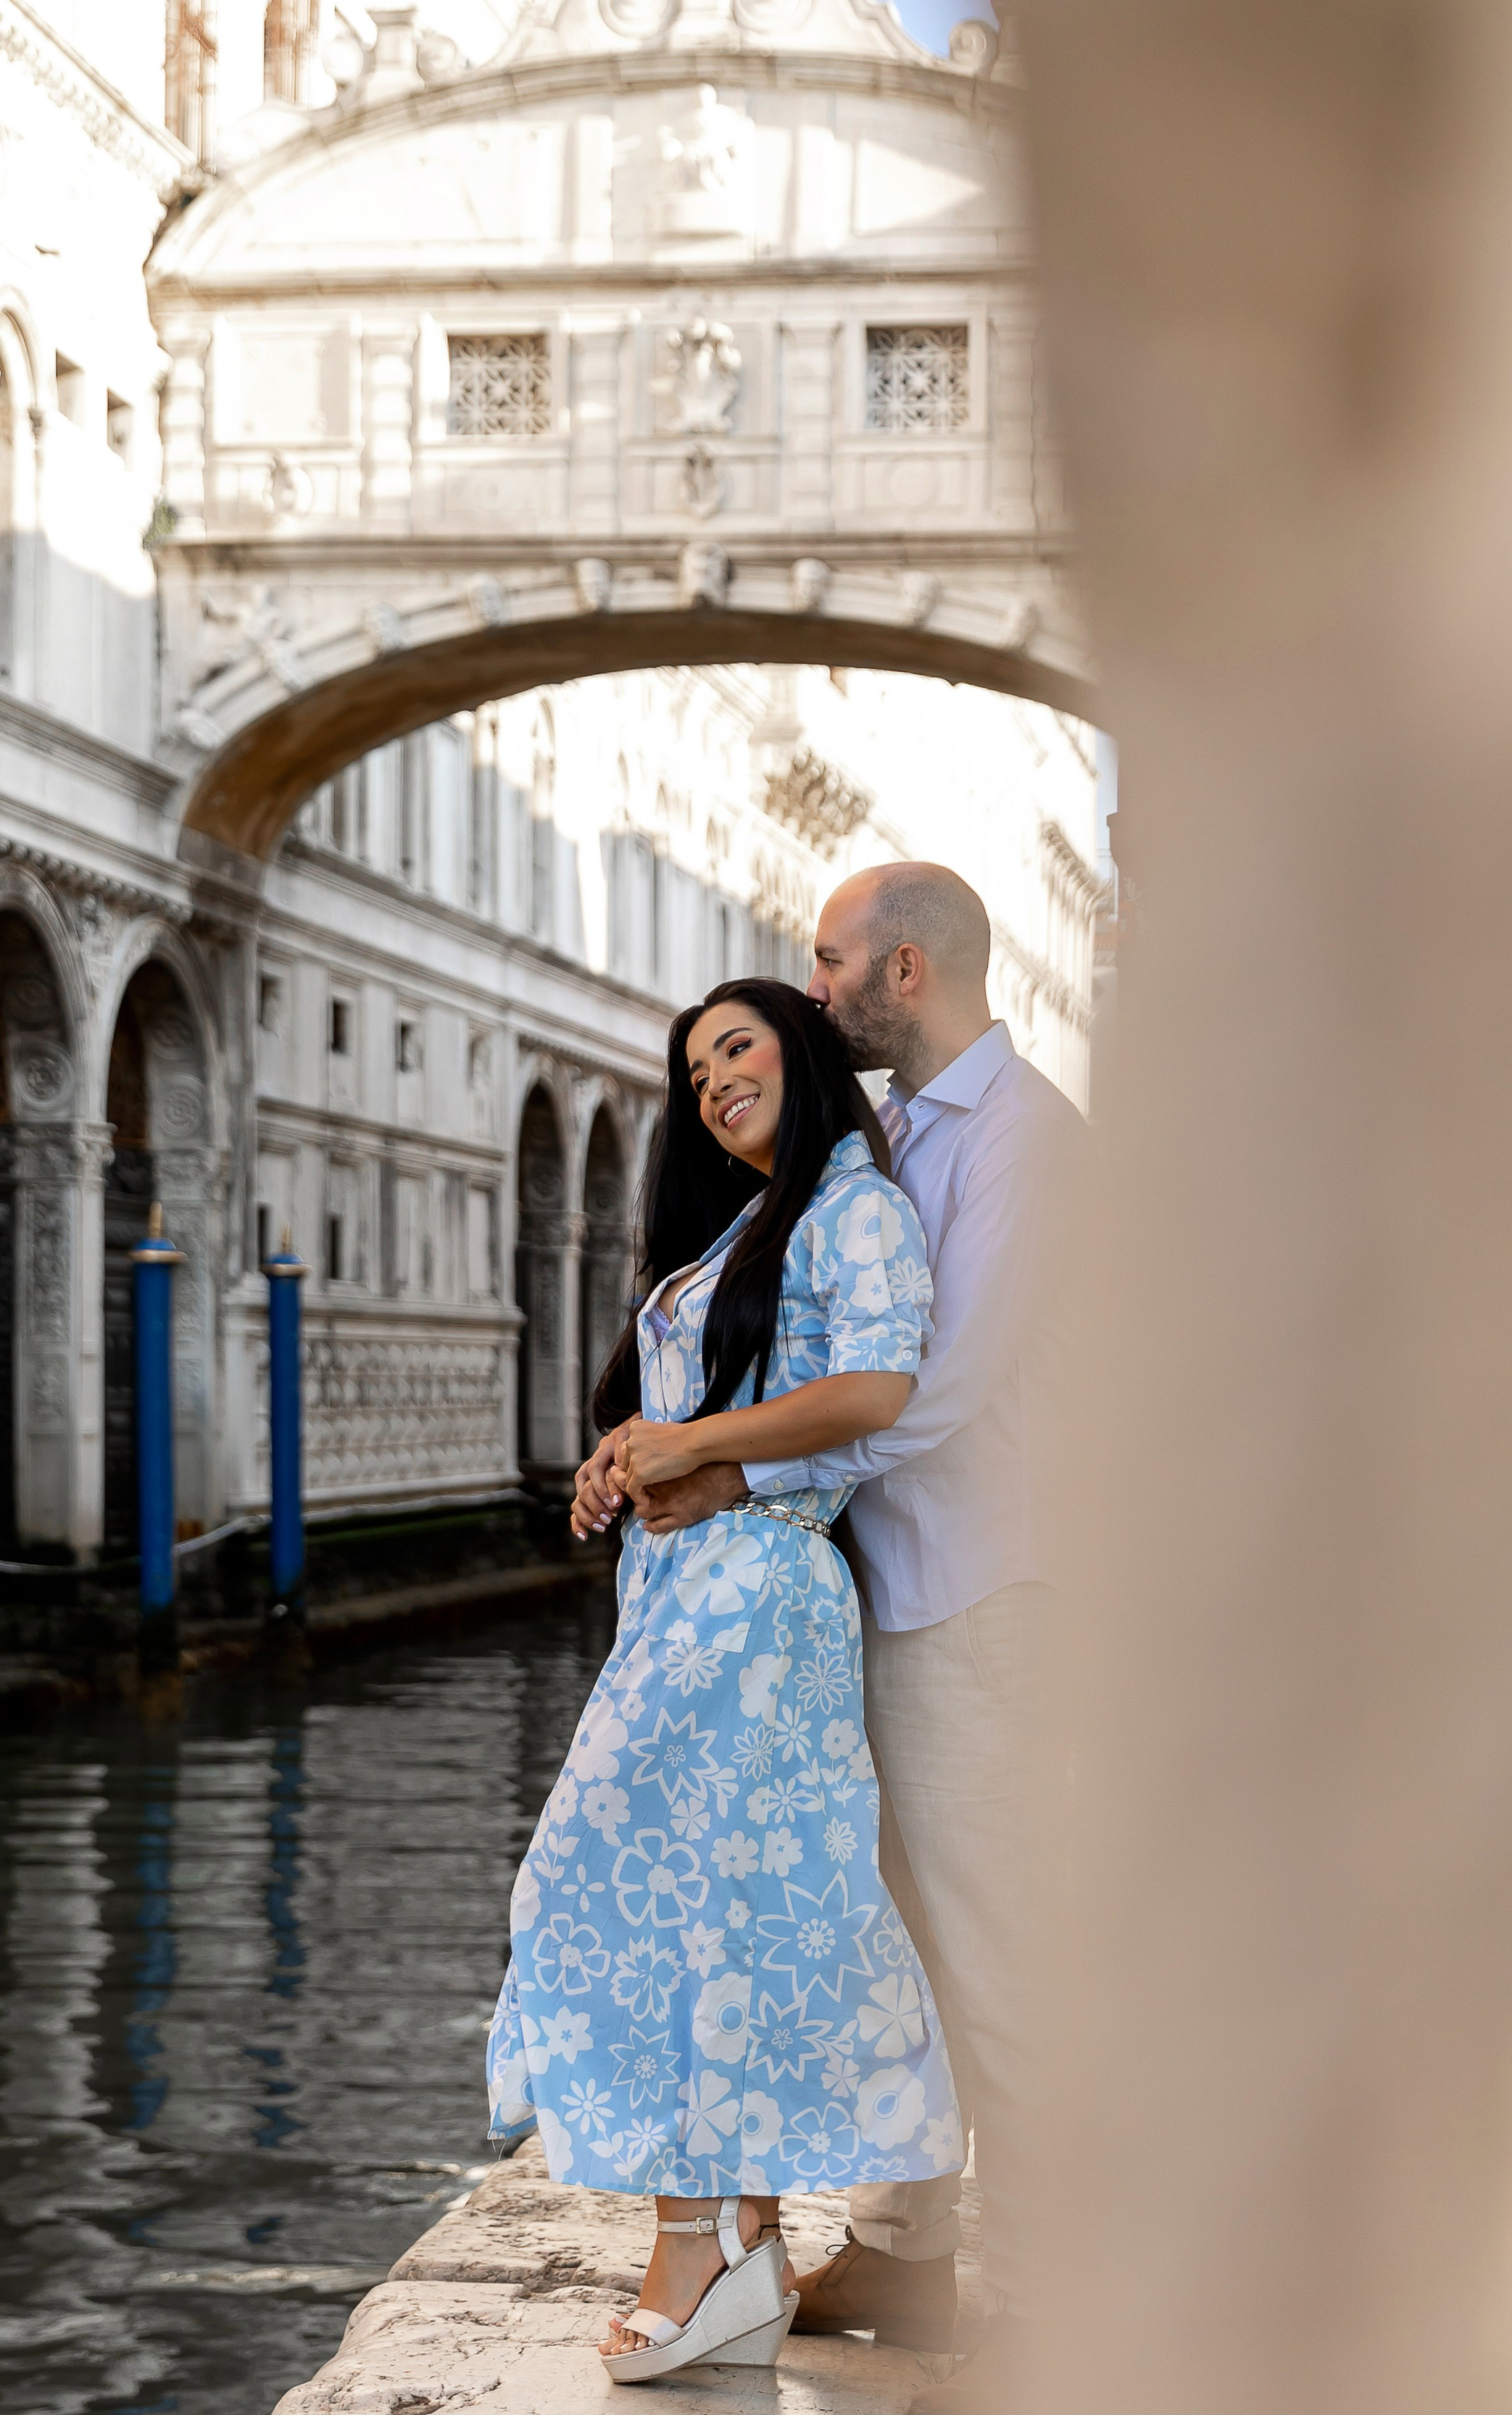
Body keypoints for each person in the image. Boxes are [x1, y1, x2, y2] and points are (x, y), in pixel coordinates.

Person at [578, 865, 1084, 2415]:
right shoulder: (886, 1142)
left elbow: (925, 1387)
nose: (807, 993)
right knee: (889, 1944)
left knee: (994, 1951)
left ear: (903, 972)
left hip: (973, 1592)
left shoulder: (1020, 1141)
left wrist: (721, 1462)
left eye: (826, 964)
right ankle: (901, 2254)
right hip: (871, 1591)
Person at [487, 976, 964, 2385]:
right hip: (686, 1595)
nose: (710, 1083)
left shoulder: (849, 1205)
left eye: (736, 1049)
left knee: (640, 1888)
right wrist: (629, 1454)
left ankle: (693, 2247)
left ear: (802, 1056)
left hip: (759, 1590)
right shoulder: (744, 1230)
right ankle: (738, 2236)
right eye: (694, 1072)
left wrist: (695, 1451)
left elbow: (880, 1389)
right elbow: (694, 1416)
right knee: (700, 1905)